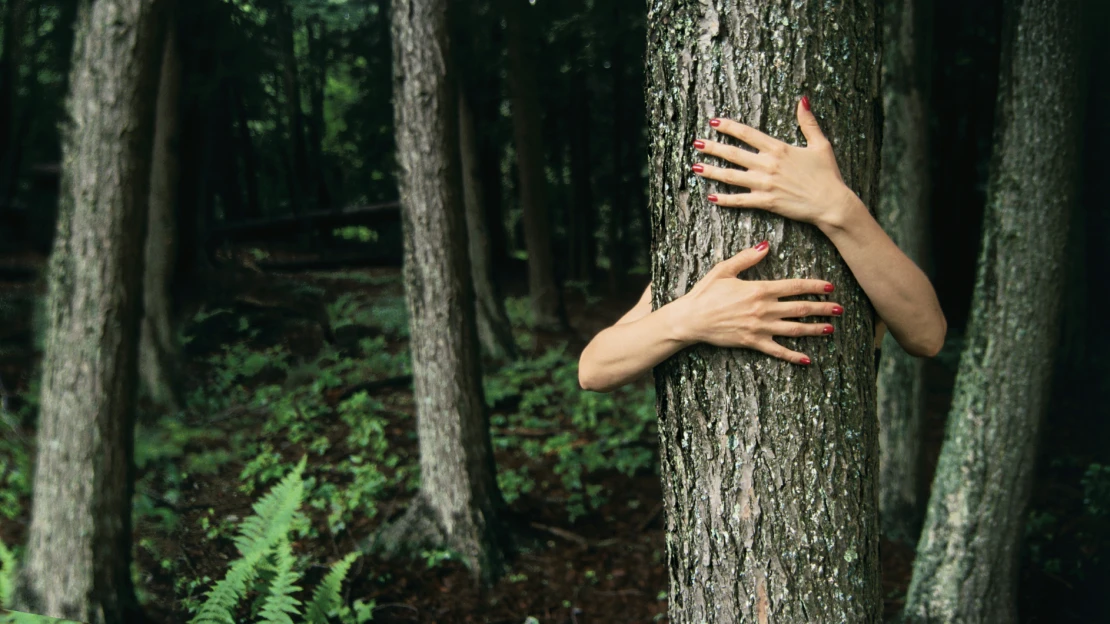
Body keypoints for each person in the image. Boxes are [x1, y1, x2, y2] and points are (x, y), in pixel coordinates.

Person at [578, 96, 946, 392]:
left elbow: (926, 335)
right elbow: (594, 369)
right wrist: (689, 318)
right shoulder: (694, 268)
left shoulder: (856, 249)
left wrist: (835, 207)